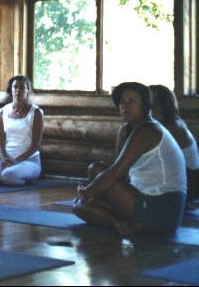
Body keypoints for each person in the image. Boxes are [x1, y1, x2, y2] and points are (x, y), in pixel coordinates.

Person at [72, 82, 186, 236]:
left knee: (95, 176)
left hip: (162, 208)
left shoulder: (148, 130)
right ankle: (123, 224)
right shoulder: (130, 129)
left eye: (132, 101)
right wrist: (91, 191)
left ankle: (135, 224)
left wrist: (87, 192)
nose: (125, 106)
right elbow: (120, 176)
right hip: (142, 198)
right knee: (79, 206)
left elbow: (115, 173)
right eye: (122, 102)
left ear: (145, 104)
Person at [0, 75, 44, 186]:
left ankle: (22, 179)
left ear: (28, 90)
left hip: (29, 161)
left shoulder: (36, 113)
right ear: (11, 89)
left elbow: (36, 145)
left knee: (8, 175)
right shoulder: (2, 112)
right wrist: (3, 160)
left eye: (22, 87)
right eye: (15, 87)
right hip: (7, 161)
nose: (18, 90)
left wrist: (17, 161)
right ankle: (12, 177)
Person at [149, 84, 199, 204]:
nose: (151, 106)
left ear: (164, 105)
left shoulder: (173, 127)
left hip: (187, 186)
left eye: (156, 102)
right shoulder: (166, 123)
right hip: (177, 180)